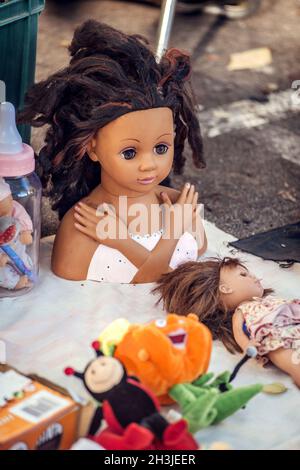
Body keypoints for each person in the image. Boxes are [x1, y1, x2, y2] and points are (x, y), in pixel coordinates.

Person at [19, 20, 207, 284]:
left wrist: (123, 241)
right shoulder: (83, 225)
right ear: (91, 148)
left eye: (161, 147)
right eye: (130, 152)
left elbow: (188, 261)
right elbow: (164, 279)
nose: (149, 165)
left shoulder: (179, 204)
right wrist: (171, 232)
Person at [153, 257, 300, 387]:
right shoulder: (241, 312)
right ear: (225, 289)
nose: (253, 276)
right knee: (292, 360)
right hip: (274, 336)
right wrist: (248, 346)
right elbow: (238, 331)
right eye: (243, 275)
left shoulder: (267, 301)